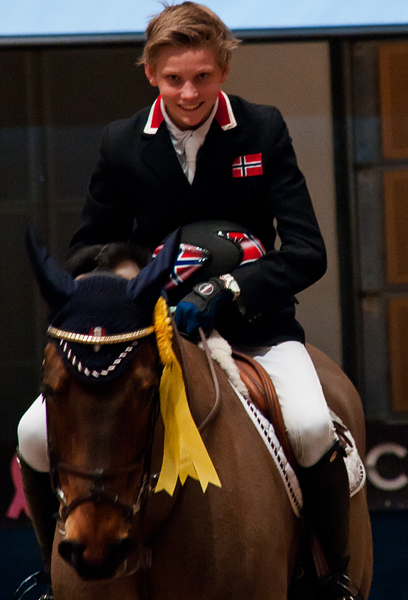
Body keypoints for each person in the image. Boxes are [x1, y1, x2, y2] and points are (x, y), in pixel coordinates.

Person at [18, 3, 359, 598]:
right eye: (174, 78)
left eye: (202, 76)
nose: (189, 91)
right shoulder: (121, 143)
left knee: (309, 424)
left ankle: (332, 577)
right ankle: (54, 577)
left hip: (258, 328)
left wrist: (229, 291)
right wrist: (131, 279)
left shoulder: (264, 128)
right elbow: (87, 251)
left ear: (222, 70)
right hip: (152, 333)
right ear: (151, 74)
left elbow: (307, 252)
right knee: (32, 433)